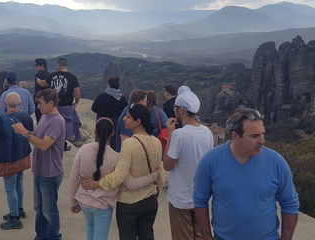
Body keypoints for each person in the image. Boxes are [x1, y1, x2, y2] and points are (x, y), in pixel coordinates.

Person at [194, 107, 300, 240]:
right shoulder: (210, 161)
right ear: (235, 136)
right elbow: (200, 201)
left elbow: (290, 203)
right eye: (255, 136)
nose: (262, 141)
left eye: (262, 134)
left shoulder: (277, 162)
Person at [81, 104, 164, 240]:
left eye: (128, 117)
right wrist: (156, 191)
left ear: (138, 122)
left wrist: (95, 184)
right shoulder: (156, 142)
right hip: (150, 199)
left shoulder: (129, 144)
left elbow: (119, 176)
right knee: (147, 235)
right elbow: (159, 172)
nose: (124, 118)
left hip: (129, 203)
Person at [12, 89, 65, 240]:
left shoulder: (56, 121)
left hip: (50, 172)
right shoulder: (45, 117)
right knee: (39, 209)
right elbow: (39, 136)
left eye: (40, 103)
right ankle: (41, 236)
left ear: (51, 103)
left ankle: (54, 237)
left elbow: (43, 145)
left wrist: (25, 133)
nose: (38, 107)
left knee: (49, 210)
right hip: (40, 170)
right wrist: (25, 131)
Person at [163, 85, 213, 240]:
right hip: (200, 198)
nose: (174, 109)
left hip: (180, 199)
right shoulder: (207, 132)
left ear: (182, 110)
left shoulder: (179, 135)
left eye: (175, 107)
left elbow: (167, 165)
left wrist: (171, 132)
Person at [0, 92, 33, 230]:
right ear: (19, 104)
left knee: (10, 187)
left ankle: (15, 218)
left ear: (5, 104)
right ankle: (19, 209)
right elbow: (30, 131)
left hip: (8, 158)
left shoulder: (1, 119)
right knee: (19, 182)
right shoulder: (25, 116)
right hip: (22, 155)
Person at [36, 57, 81, 151]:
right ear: (66, 65)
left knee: (52, 123)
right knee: (65, 125)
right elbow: (77, 93)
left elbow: (43, 84)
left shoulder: (52, 75)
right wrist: (76, 102)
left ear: (59, 65)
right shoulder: (72, 77)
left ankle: (50, 142)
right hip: (67, 106)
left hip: (53, 105)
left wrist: (38, 81)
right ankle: (62, 144)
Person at [91, 76, 128, 149]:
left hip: (102, 122)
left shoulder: (101, 97)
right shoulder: (122, 99)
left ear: (109, 86)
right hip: (116, 124)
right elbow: (126, 112)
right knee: (113, 145)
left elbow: (94, 108)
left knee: (99, 143)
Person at [34, 58, 50, 123]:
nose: (36, 67)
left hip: (40, 98)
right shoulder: (49, 74)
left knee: (39, 117)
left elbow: (37, 88)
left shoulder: (37, 75)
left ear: (42, 65)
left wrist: (36, 98)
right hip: (48, 97)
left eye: (37, 65)